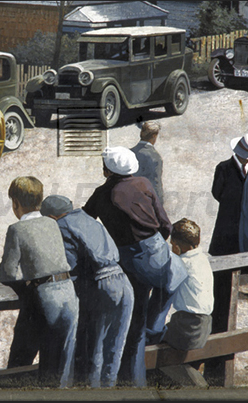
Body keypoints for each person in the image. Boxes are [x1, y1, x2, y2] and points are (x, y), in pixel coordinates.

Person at [82, 146, 187, 387]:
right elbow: (166, 225)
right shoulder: (144, 184)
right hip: (156, 252)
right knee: (177, 277)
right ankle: (155, 327)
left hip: (128, 262)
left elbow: (87, 222)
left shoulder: (101, 194)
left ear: (108, 170)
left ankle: (134, 381)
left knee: (134, 324)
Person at [41, 195, 134, 388]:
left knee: (96, 350)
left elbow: (70, 266)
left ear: (51, 217)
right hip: (124, 282)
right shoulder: (88, 219)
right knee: (115, 347)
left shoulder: (62, 226)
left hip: (103, 285)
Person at [0, 177, 79, 388]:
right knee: (59, 363)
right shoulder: (52, 223)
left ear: (15, 202)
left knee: (20, 358)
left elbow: (7, 273)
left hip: (44, 298)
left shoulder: (16, 229)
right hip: (69, 294)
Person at [209, 133, 248, 298]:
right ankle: (222, 289)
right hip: (228, 218)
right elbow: (217, 192)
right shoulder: (223, 168)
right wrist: (231, 204)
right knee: (226, 251)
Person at [163, 218, 214, 351]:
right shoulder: (203, 258)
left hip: (188, 329)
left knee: (152, 335)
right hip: (205, 327)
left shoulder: (182, 263)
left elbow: (167, 288)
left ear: (177, 246)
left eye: (172, 244)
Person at [130, 121, 164, 204]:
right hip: (145, 203)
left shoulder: (129, 153)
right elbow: (155, 184)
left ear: (141, 133)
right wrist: (159, 205)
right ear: (154, 136)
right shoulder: (155, 157)